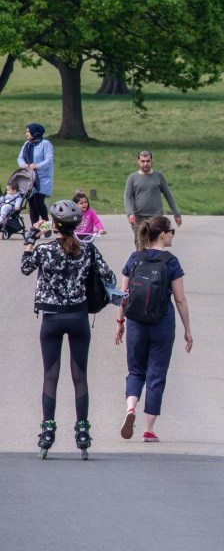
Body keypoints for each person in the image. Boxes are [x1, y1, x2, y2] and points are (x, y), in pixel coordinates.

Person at [21, 200, 116, 458]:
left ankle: (48, 429)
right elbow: (109, 277)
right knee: (80, 376)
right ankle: (82, 430)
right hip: (78, 317)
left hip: (51, 318)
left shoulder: (45, 250)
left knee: (51, 376)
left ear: (55, 224)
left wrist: (31, 238)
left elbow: (25, 267)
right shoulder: (88, 250)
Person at [115, 216, 193, 443]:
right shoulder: (171, 262)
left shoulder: (134, 258)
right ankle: (148, 429)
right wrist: (188, 330)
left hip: (136, 323)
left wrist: (120, 323)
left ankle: (131, 408)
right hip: (162, 323)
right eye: (172, 232)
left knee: (135, 370)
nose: (173, 235)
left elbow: (123, 296)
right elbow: (180, 300)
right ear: (162, 234)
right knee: (156, 374)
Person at [124, 150, 182, 245]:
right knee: (140, 244)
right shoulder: (132, 178)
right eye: (143, 161)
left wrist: (177, 214)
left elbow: (168, 195)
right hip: (139, 218)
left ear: (151, 161)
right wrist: (130, 213)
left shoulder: (158, 176)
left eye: (148, 161)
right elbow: (127, 197)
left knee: (155, 244)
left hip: (156, 217)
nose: (145, 164)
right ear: (138, 161)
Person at [17, 123, 54, 229]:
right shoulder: (27, 144)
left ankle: (46, 226)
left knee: (38, 200)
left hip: (43, 178)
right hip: (30, 177)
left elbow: (49, 160)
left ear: (35, 132)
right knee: (31, 202)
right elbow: (20, 158)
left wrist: (36, 166)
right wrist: (23, 165)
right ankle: (35, 229)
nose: (26, 134)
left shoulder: (46, 144)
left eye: (28, 132)